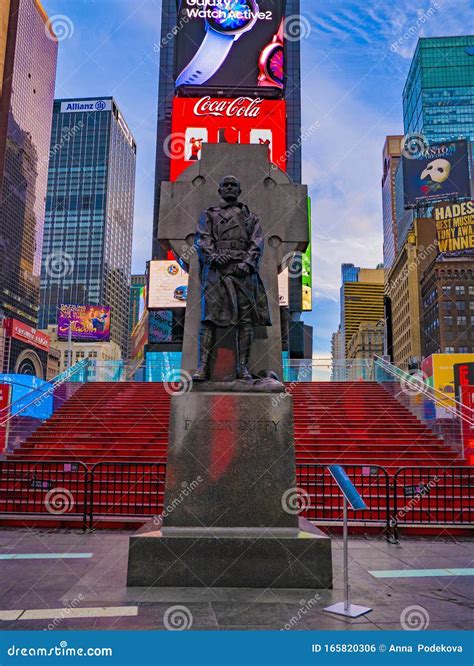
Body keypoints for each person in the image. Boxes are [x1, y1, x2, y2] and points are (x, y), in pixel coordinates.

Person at [193, 175, 271, 381]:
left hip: (242, 272)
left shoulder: (250, 217)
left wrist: (247, 263)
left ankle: (242, 368)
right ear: (219, 191)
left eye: (233, 185)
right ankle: (202, 367)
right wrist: (214, 257)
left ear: (239, 190)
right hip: (216, 272)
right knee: (209, 319)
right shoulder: (208, 214)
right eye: (225, 185)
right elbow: (202, 239)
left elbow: (257, 242)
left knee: (245, 321)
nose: (229, 188)